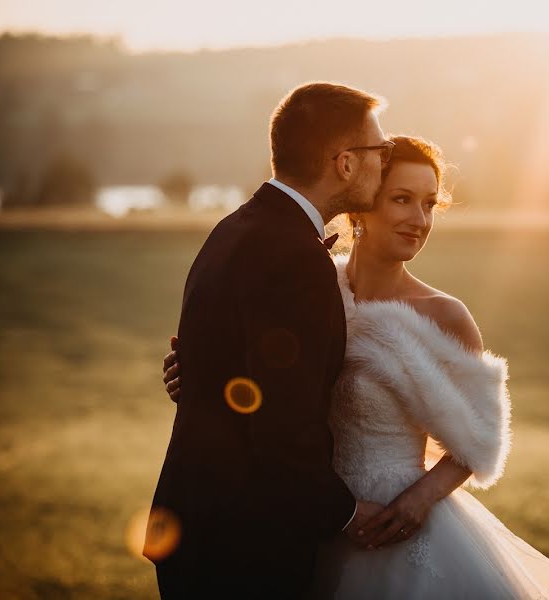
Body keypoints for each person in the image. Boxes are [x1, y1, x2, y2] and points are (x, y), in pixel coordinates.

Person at [162, 134, 549, 598]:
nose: (419, 219)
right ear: (362, 205)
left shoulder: (445, 315)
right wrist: (203, 377)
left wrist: (418, 501)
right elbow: (267, 385)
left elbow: (481, 439)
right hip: (306, 514)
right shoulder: (313, 284)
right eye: (402, 200)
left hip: (396, 524)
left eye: (429, 204)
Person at [146, 81, 395, 598]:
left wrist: (197, 382)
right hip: (245, 540)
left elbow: (232, 368)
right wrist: (345, 512)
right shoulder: (296, 259)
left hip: (195, 518)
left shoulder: (235, 227)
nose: (385, 161)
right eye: (380, 150)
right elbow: (282, 419)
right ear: (345, 163)